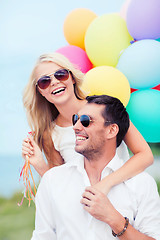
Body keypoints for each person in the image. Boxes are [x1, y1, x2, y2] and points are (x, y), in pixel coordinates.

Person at [22, 52, 153, 194]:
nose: (54, 82)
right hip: (85, 211)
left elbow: (145, 155)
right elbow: (60, 188)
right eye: (44, 81)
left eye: (60, 74)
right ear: (40, 91)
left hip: (126, 200)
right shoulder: (50, 134)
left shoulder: (106, 106)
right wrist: (40, 166)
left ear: (72, 77)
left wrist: (106, 184)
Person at [31, 95, 160, 240]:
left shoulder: (142, 184)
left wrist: (115, 219)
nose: (75, 127)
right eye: (76, 119)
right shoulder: (52, 180)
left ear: (111, 130)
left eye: (86, 121)